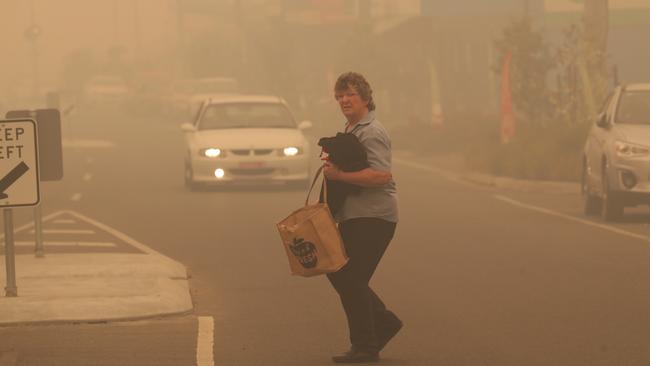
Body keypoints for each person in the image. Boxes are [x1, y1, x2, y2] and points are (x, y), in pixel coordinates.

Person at [323, 72, 401, 363]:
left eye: (350, 95)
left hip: (375, 217)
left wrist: (339, 174)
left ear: (366, 98)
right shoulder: (353, 128)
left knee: (350, 278)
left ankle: (366, 346)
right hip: (355, 216)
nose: (344, 100)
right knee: (340, 273)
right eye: (340, 96)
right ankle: (382, 324)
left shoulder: (372, 131)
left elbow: (381, 175)